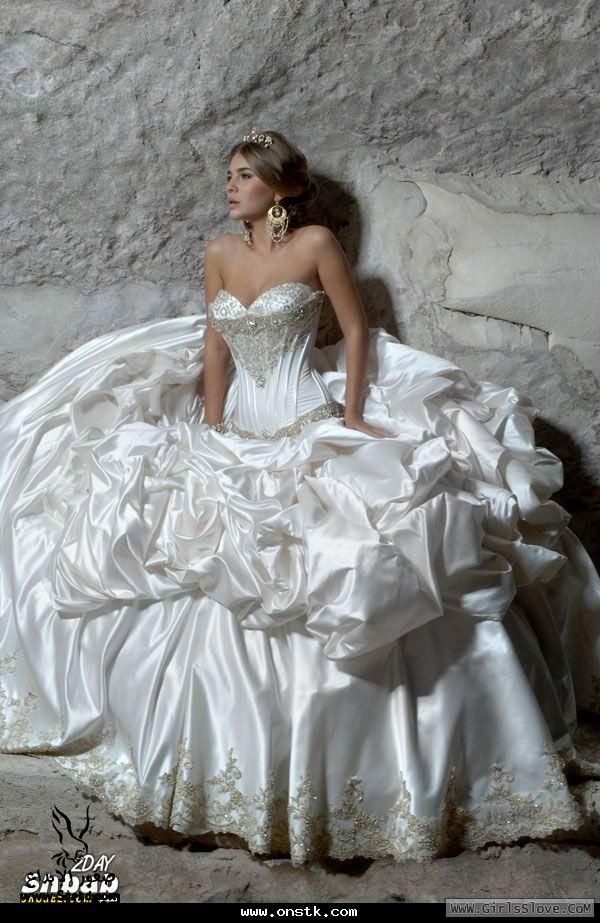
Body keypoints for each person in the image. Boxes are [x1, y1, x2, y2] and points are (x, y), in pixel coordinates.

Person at [0, 126, 598, 868]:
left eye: (245, 176)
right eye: (229, 175)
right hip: (239, 428)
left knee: (348, 554)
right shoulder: (221, 253)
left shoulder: (315, 244)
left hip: (307, 419)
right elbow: (217, 345)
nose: (231, 187)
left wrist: (353, 416)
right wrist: (210, 426)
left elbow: (355, 329)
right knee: (198, 562)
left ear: (281, 188)